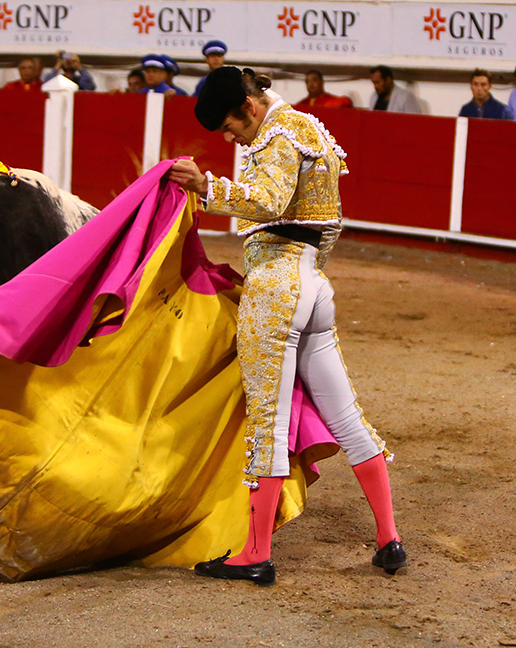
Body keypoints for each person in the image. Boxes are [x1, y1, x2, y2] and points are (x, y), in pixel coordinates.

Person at [168, 66, 405, 585]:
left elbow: (271, 201)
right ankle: (389, 538)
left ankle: (255, 553)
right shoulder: (308, 127)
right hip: (314, 283)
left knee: (267, 422)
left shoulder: (276, 133)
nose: (231, 138)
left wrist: (208, 186)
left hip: (277, 286)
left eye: (230, 128)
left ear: (249, 107)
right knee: (346, 415)